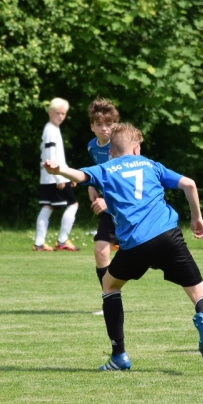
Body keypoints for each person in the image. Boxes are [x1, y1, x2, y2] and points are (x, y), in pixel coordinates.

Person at [43, 123, 203, 371]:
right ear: (136, 149)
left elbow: (80, 176)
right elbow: (189, 184)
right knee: (200, 294)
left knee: (109, 285)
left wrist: (59, 169)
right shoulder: (151, 165)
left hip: (135, 244)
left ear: (111, 152)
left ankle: (119, 356)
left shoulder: (106, 168)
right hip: (168, 235)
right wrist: (196, 218)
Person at [34, 98, 79, 252]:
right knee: (73, 204)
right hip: (54, 176)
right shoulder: (51, 130)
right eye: (57, 113)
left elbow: (57, 157)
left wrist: (69, 174)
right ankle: (62, 241)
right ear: (50, 112)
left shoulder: (52, 128)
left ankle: (39, 243)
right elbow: (50, 155)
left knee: (48, 206)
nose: (60, 116)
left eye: (63, 113)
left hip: (49, 176)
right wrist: (59, 177)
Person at [85, 99, 120, 289]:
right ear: (92, 126)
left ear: (115, 125)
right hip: (110, 209)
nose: (104, 128)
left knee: (154, 254)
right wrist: (92, 185)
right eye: (99, 124)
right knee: (100, 251)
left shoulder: (120, 147)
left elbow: (127, 181)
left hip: (128, 208)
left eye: (109, 124)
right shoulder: (92, 146)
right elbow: (99, 171)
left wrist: (108, 201)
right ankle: (109, 297)